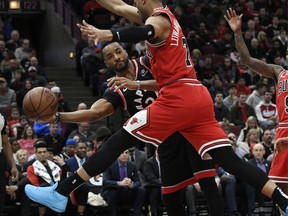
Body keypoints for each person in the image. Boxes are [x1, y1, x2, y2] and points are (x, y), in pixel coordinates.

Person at [25, 2, 288, 215]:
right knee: (229, 161)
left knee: (117, 142)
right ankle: (284, 202)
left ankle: (60, 193)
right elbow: (119, 7)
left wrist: (111, 34)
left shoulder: (160, 19)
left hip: (176, 101)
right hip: (195, 98)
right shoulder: (159, 20)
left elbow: (144, 32)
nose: (135, 7)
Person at [25, 42, 224, 215]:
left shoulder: (148, 62)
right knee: (170, 197)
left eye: (118, 51)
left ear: (126, 51)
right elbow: (95, 113)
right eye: (110, 57)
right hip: (164, 141)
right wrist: (57, 116)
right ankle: (61, 192)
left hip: (187, 128)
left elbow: (174, 82)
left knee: (208, 185)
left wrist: (137, 84)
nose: (117, 57)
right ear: (106, 64)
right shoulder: (115, 88)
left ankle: (61, 191)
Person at [224, 8, 288, 215]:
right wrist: (237, 33)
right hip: (283, 134)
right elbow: (247, 61)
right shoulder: (280, 73)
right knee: (282, 198)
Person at [101, 149, 145, 216]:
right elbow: (105, 182)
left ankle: (136, 214)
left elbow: (138, 182)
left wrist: (132, 185)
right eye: (121, 153)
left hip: (127, 190)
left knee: (141, 190)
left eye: (126, 153)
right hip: (112, 191)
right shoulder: (109, 165)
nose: (124, 155)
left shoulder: (132, 165)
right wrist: (119, 183)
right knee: (112, 192)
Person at [0, 111, 19, 214]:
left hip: (0, 158)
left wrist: (13, 165)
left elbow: (5, 142)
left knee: (1, 197)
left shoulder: (1, 116)